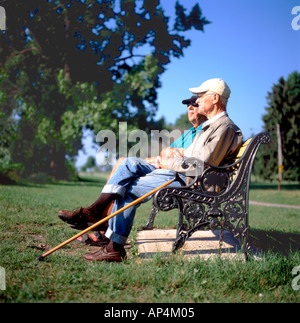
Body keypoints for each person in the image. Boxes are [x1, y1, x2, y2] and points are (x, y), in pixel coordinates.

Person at [58, 78, 243, 262]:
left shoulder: (223, 127)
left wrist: (167, 163)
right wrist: (175, 154)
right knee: (128, 164)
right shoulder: (212, 126)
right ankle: (96, 211)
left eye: (202, 96)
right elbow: (194, 155)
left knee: (127, 189)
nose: (198, 100)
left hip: (189, 180)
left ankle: (114, 246)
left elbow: (200, 166)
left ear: (215, 98)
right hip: (180, 173)